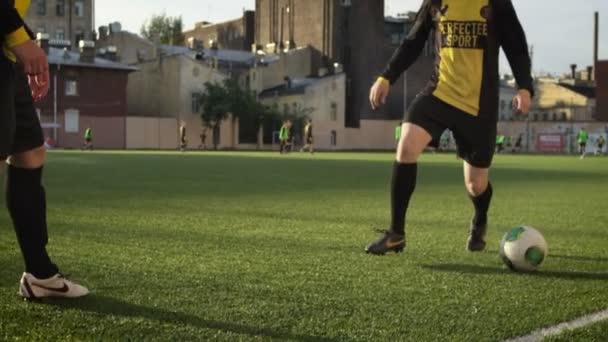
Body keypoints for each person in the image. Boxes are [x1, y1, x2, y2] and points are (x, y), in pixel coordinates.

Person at [366, 0, 533, 255]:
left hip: (479, 106)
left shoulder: (496, 3)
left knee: (475, 185)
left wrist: (524, 86)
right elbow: (413, 41)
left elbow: (517, 46)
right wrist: (386, 77)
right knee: (407, 145)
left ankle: (479, 219)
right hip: (440, 93)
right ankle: (396, 233)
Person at [1, 0, 88, 298]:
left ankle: (39, 275)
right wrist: (20, 41)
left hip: (6, 55)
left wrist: (25, 44)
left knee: (30, 151)